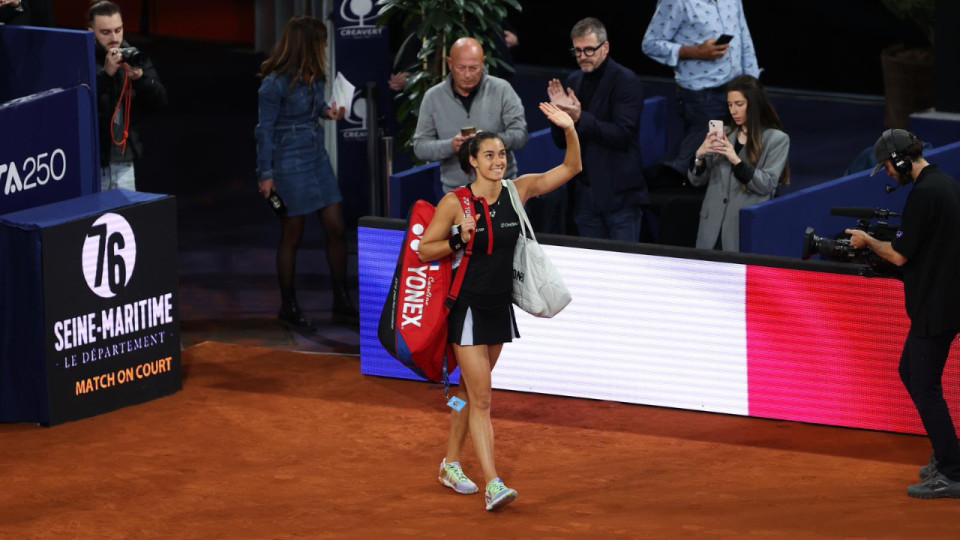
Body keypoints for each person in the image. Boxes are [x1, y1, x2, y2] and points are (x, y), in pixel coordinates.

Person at [416, 102, 581, 511]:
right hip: (467, 310)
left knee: (469, 395)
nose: (498, 161)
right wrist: (457, 237)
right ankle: (493, 483)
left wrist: (570, 130)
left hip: (498, 309)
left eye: (502, 155)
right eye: (488, 155)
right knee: (484, 399)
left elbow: (570, 169)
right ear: (472, 162)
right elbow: (424, 250)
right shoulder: (455, 202)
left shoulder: (517, 191)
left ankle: (450, 463)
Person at [846, 129, 960, 499]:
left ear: (900, 160)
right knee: (909, 371)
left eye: (888, 167)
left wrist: (868, 242)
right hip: (941, 300)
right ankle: (948, 456)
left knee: (925, 386)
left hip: (936, 306)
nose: (889, 174)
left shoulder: (925, 194)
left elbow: (898, 255)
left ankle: (953, 471)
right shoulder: (943, 184)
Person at [255, 15, 358, 331]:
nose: (326, 48)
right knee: (293, 233)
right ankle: (288, 306)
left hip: (315, 157)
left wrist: (328, 112)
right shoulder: (273, 85)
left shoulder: (315, 77)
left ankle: (341, 300)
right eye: (322, 43)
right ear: (309, 46)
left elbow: (314, 110)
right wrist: (265, 175)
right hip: (287, 162)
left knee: (336, 226)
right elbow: (264, 131)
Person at [547, 17, 648, 241]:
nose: (583, 57)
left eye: (589, 50)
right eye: (578, 51)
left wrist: (580, 117)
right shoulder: (574, 79)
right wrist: (560, 117)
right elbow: (561, 142)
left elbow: (622, 135)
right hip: (583, 195)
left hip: (618, 196)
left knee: (624, 268)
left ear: (605, 48)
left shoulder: (626, 81)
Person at [642, 0, 760, 182]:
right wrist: (696, 52)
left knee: (731, 152)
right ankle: (660, 185)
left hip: (735, 87)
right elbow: (650, 44)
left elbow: (744, 37)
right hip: (701, 94)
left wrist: (752, 85)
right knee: (698, 155)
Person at [413, 37, 528, 195]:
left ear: (483, 62)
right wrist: (451, 146)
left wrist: (490, 142)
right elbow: (420, 147)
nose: (467, 74)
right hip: (457, 195)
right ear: (450, 63)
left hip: (503, 190)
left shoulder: (502, 90)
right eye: (461, 68)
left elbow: (520, 136)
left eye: (474, 68)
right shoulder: (433, 97)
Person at [688, 75, 788, 251]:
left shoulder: (776, 139)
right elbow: (697, 181)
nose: (733, 110)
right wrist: (700, 156)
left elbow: (766, 184)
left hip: (742, 231)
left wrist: (735, 159)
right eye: (730, 104)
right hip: (710, 230)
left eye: (739, 104)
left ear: (754, 104)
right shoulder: (725, 134)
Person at [88, 1, 167, 192]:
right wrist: (105, 75)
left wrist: (140, 78)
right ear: (91, 32)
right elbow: (80, 107)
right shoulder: (84, 59)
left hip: (124, 161)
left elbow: (161, 102)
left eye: (118, 30)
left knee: (125, 220)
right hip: (93, 163)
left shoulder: (134, 57)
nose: (114, 38)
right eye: (105, 32)